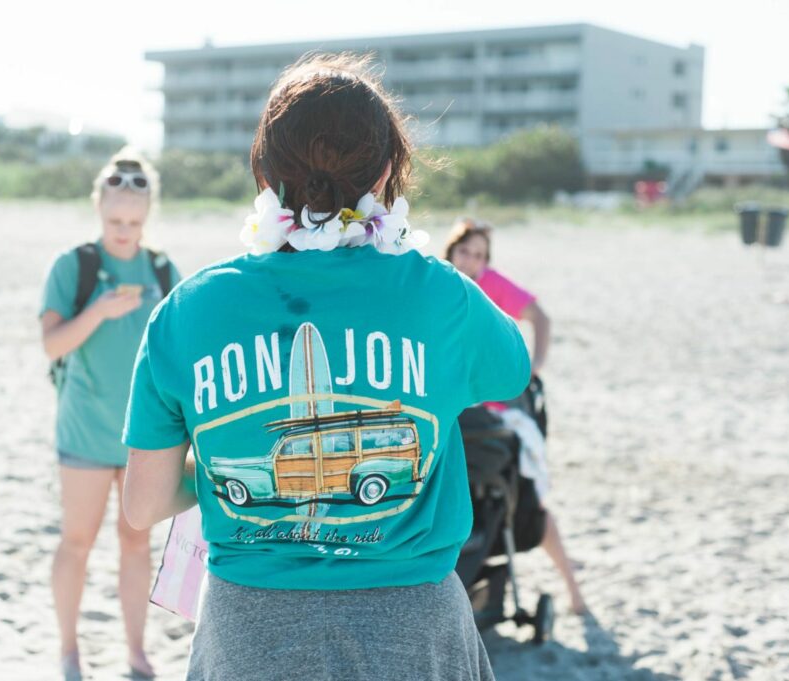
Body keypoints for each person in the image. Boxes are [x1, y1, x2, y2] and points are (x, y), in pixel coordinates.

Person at [121, 54, 532, 681]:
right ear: (389, 170)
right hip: (411, 623)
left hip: (249, 631)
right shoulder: (439, 294)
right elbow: (511, 373)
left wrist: (215, 455)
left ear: (263, 169)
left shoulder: (188, 310)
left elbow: (144, 503)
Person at [39, 148, 180, 680]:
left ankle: (136, 652)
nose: (125, 232)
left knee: (136, 541)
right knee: (76, 541)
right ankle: (69, 649)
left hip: (144, 437)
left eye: (135, 223)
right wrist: (98, 309)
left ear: (148, 217)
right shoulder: (75, 267)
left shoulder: (164, 271)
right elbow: (51, 345)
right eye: (116, 220)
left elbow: (179, 355)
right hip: (84, 431)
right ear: (98, 207)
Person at [445, 218, 587, 614]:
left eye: (478, 255)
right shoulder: (437, 285)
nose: (471, 261)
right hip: (453, 411)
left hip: (491, 413)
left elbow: (540, 317)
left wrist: (535, 365)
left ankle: (574, 592)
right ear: (450, 250)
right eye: (464, 252)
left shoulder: (489, 287)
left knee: (526, 499)